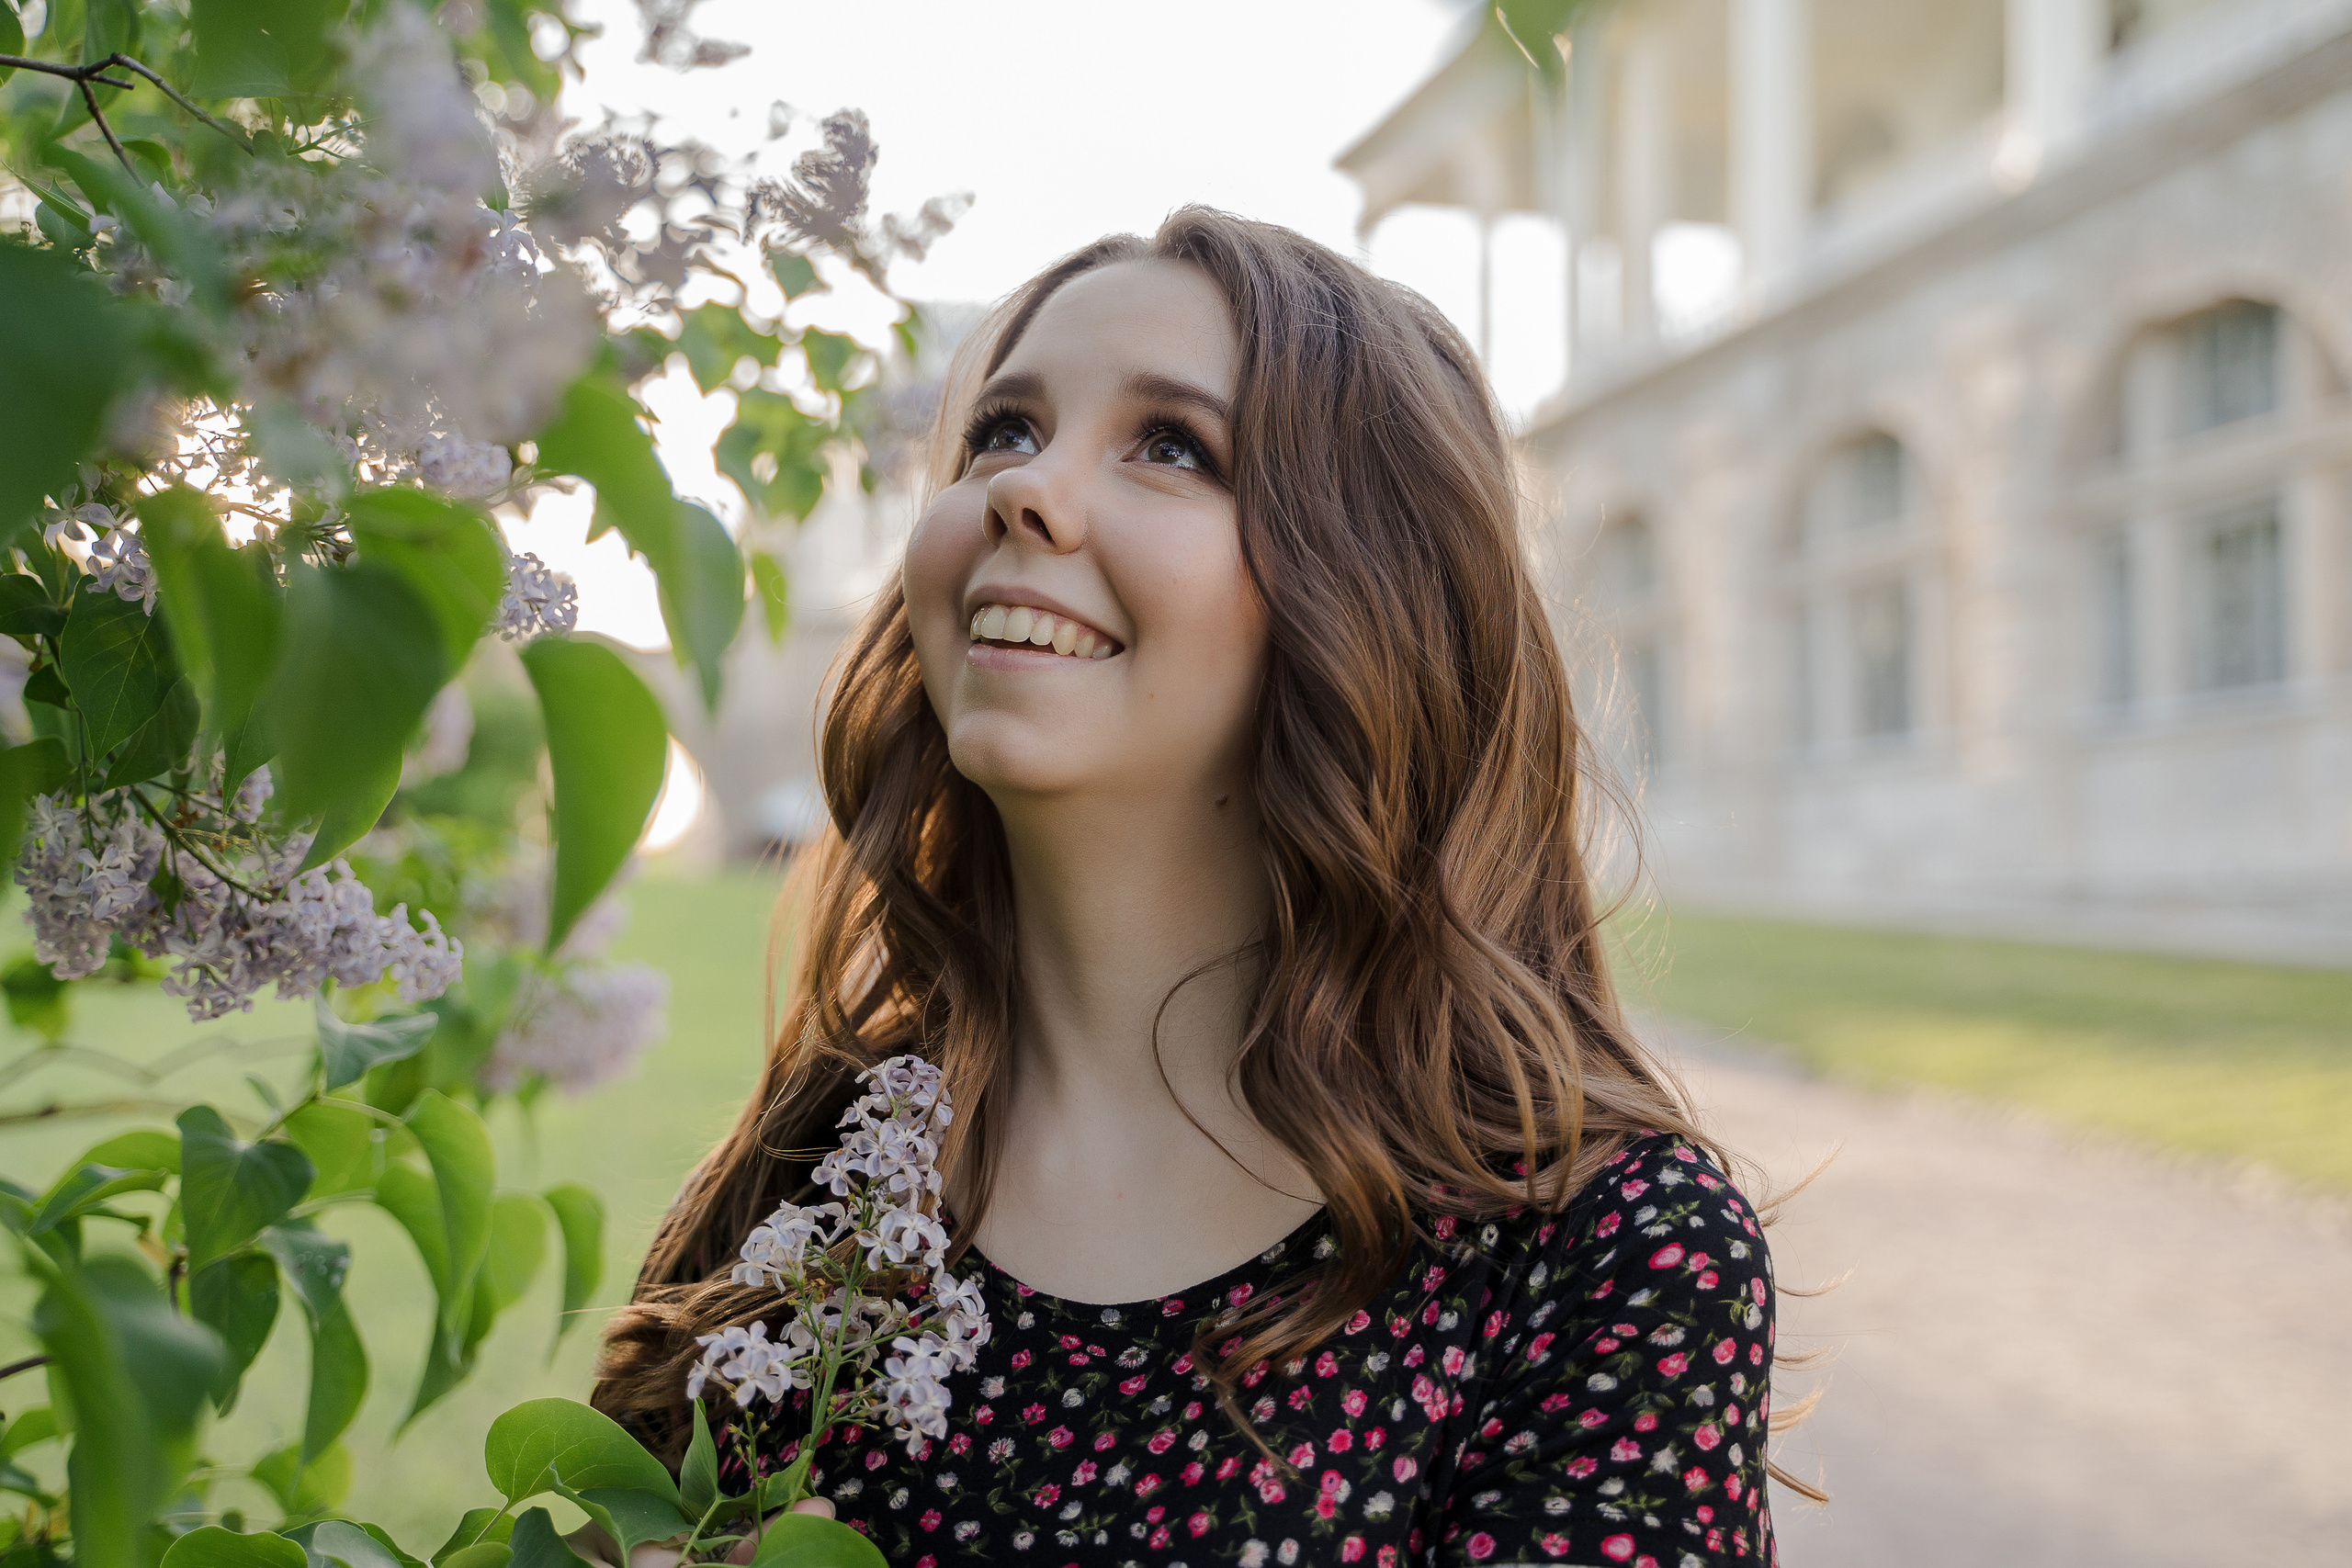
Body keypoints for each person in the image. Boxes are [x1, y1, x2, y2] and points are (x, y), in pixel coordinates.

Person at [593, 208, 1796, 1567]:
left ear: (1368, 593)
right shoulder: (817, 1172)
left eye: (1172, 446)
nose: (1023, 490)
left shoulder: (1601, 1258)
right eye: (1002, 430)